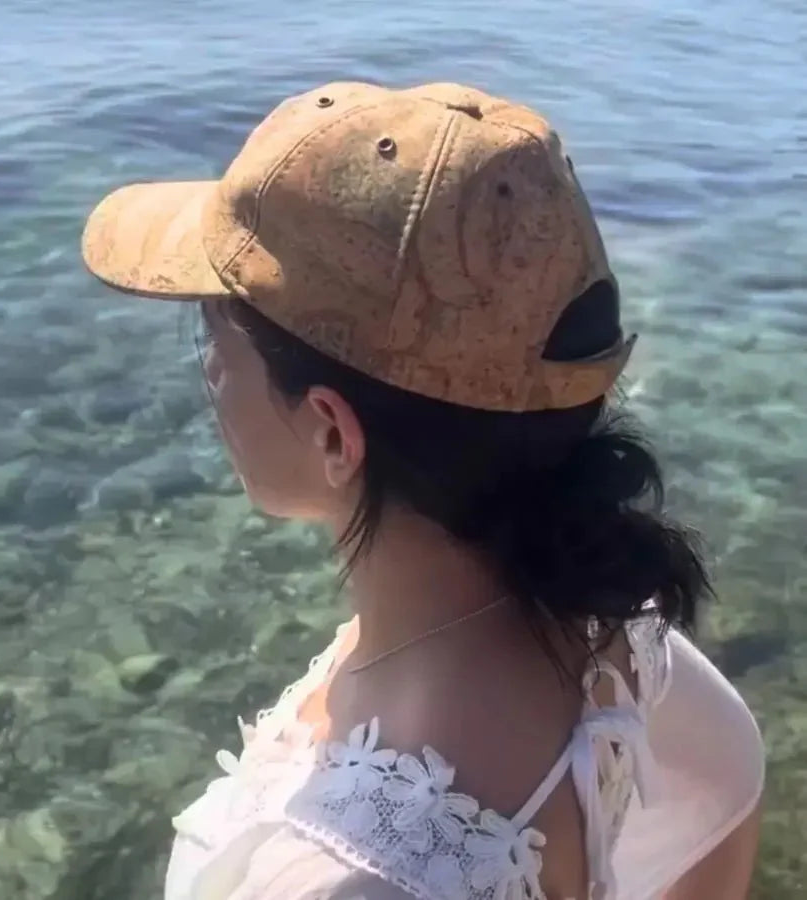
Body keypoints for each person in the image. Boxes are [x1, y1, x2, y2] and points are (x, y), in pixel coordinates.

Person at [81, 82, 764, 900]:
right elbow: (732, 790)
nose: (208, 372)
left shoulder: (337, 877)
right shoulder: (620, 640)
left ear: (334, 432)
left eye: (212, 334)